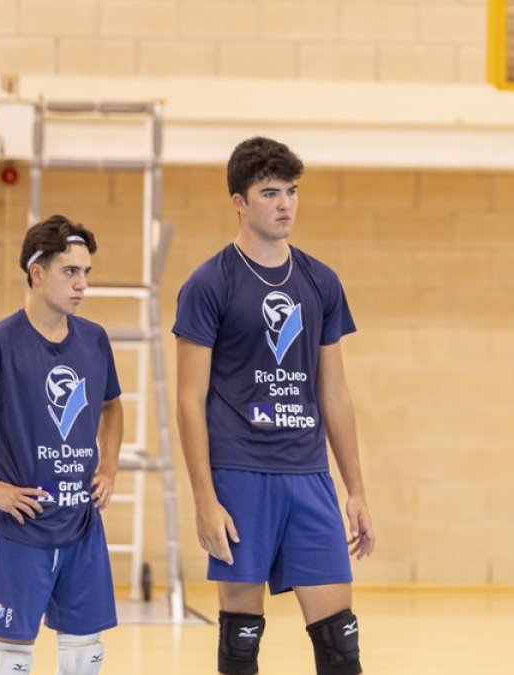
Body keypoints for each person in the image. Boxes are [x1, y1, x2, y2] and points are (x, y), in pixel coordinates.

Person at [174, 137, 375, 675]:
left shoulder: (321, 282)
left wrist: (354, 489)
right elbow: (189, 400)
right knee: (241, 646)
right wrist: (204, 498)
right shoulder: (208, 284)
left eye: (290, 191)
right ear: (239, 201)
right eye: (269, 193)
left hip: (308, 477)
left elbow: (334, 392)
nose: (285, 204)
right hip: (240, 477)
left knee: (340, 646)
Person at [0, 215, 123, 675]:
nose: (82, 285)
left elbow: (112, 407)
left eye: (86, 273)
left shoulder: (94, 340)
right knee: (13, 655)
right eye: (70, 272)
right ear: (37, 272)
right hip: (23, 528)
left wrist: (107, 466)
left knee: (85, 652)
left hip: (82, 525)